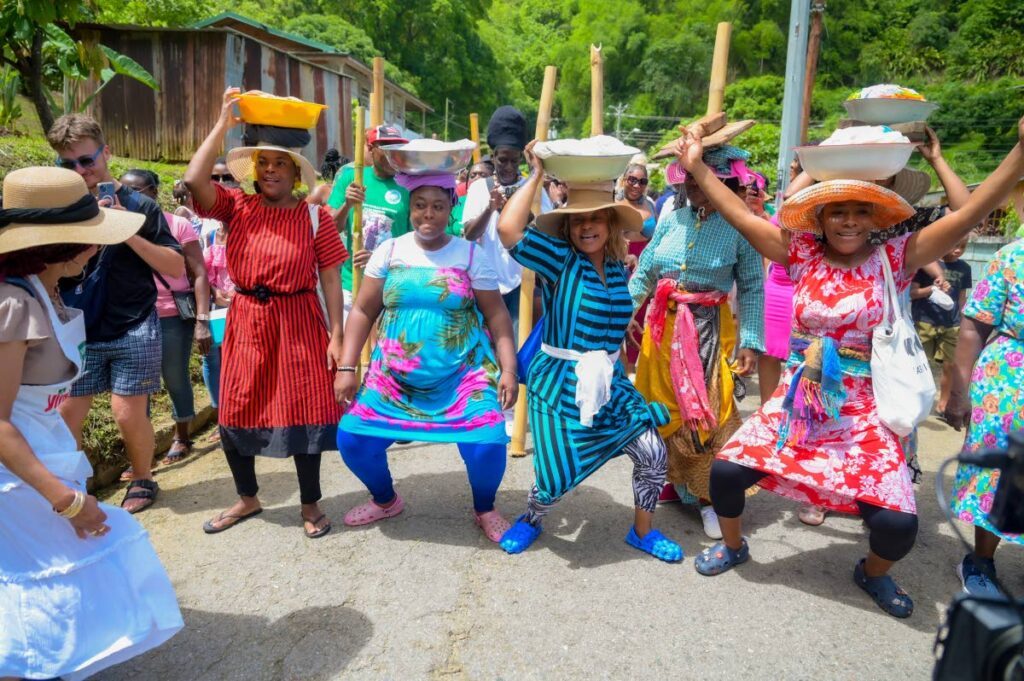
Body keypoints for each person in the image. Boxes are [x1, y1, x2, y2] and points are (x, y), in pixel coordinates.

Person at [674, 117, 1024, 618]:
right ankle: (734, 546)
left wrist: (1019, 153)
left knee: (897, 525)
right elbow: (741, 217)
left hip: (865, 405)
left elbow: (969, 216)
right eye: (838, 210)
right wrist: (697, 169)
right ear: (819, 215)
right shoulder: (799, 252)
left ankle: (872, 572)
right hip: (802, 393)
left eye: (863, 210)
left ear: (878, 218)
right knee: (726, 474)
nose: (849, 221)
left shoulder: (898, 255)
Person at [0, 166, 182, 680]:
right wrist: (66, 500)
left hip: (48, 456)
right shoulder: (12, 304)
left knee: (42, 583)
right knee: (37, 580)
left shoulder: (48, 291)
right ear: (67, 246)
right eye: (91, 238)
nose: (99, 247)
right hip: (20, 475)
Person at [495, 141, 683, 562]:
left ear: (611, 223)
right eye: (577, 220)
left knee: (652, 451)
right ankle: (532, 517)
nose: (586, 227)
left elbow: (649, 227)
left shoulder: (618, 266)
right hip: (559, 382)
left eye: (596, 218)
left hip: (610, 381)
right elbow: (508, 230)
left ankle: (642, 532)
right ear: (566, 226)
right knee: (554, 478)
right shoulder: (560, 259)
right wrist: (537, 175)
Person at [184, 87, 348, 538]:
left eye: (280, 163)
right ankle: (247, 497)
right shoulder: (237, 207)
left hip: (298, 320)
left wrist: (338, 335)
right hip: (247, 320)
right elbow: (195, 181)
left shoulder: (315, 218)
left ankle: (310, 504)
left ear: (296, 171)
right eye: (264, 163)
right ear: (253, 170)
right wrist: (222, 124)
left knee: (304, 407)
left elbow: (331, 279)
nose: (271, 170)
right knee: (234, 407)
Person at [335, 168, 519, 542]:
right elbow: (363, 311)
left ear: (451, 206)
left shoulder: (469, 255)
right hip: (393, 378)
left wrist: (509, 369)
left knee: (488, 440)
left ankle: (485, 507)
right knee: (352, 437)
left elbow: (497, 315)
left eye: (437, 206)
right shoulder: (389, 250)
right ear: (411, 207)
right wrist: (347, 366)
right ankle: (386, 500)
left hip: (463, 373)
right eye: (420, 206)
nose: (428, 215)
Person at [49, 114, 186, 514]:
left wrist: (124, 228)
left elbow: (175, 266)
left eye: (87, 161)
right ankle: (72, 489)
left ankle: (142, 476)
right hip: (77, 324)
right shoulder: (59, 207)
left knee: (126, 412)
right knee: (66, 413)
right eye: (68, 164)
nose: (80, 171)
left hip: (134, 321)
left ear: (105, 152)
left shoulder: (140, 204)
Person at [628, 144, 765, 540]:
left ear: (723, 182)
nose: (690, 185)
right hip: (660, 332)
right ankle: (677, 484)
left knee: (707, 413)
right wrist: (619, 318)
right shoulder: (671, 222)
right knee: (662, 411)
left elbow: (753, 286)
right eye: (687, 177)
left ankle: (710, 499)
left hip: (707, 332)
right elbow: (644, 274)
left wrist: (750, 341)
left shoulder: (741, 226)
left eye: (699, 178)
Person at [944, 238, 1024, 595]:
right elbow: (975, 324)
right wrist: (959, 393)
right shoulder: (1014, 255)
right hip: (1009, 382)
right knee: (999, 474)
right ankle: (981, 561)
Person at [121, 169, 213, 464]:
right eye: (123, 190)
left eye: (136, 190)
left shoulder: (178, 225)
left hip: (172, 314)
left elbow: (199, 272)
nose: (130, 197)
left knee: (174, 376)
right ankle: (141, 453)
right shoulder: (114, 227)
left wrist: (202, 319)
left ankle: (182, 435)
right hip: (132, 317)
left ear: (154, 191)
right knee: (136, 389)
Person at [463, 106, 553, 338]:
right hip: (485, 283)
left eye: (515, 161)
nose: (510, 167)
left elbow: (545, 231)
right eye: (503, 161)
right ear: (493, 158)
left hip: (523, 285)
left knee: (518, 346)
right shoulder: (479, 189)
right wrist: (490, 208)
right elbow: (470, 234)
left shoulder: (532, 188)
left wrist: (513, 211)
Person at [327, 124, 411, 318]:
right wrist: (347, 205)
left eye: (397, 148)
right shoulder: (352, 177)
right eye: (386, 147)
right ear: (371, 148)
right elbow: (329, 229)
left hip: (390, 287)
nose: (393, 154)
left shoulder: (408, 185)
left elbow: (413, 241)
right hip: (351, 284)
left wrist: (378, 257)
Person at [911, 238, 971, 413]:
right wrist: (931, 290)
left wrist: (963, 320)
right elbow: (912, 293)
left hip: (951, 324)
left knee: (950, 365)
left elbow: (961, 298)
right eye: (955, 244)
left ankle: (943, 403)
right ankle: (916, 400)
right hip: (924, 322)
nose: (958, 250)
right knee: (920, 364)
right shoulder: (926, 265)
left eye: (963, 247)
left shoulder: (965, 269)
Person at [618, 162, 657, 373]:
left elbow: (655, 238)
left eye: (642, 181)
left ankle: (632, 372)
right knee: (617, 316)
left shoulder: (649, 205)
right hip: (618, 262)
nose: (636, 185)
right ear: (624, 180)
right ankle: (620, 369)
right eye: (632, 180)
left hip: (643, 264)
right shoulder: (613, 203)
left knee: (638, 317)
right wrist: (623, 253)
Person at [450, 160, 494, 234]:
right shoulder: (457, 203)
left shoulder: (497, 201)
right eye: (472, 176)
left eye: (482, 175)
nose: (477, 178)